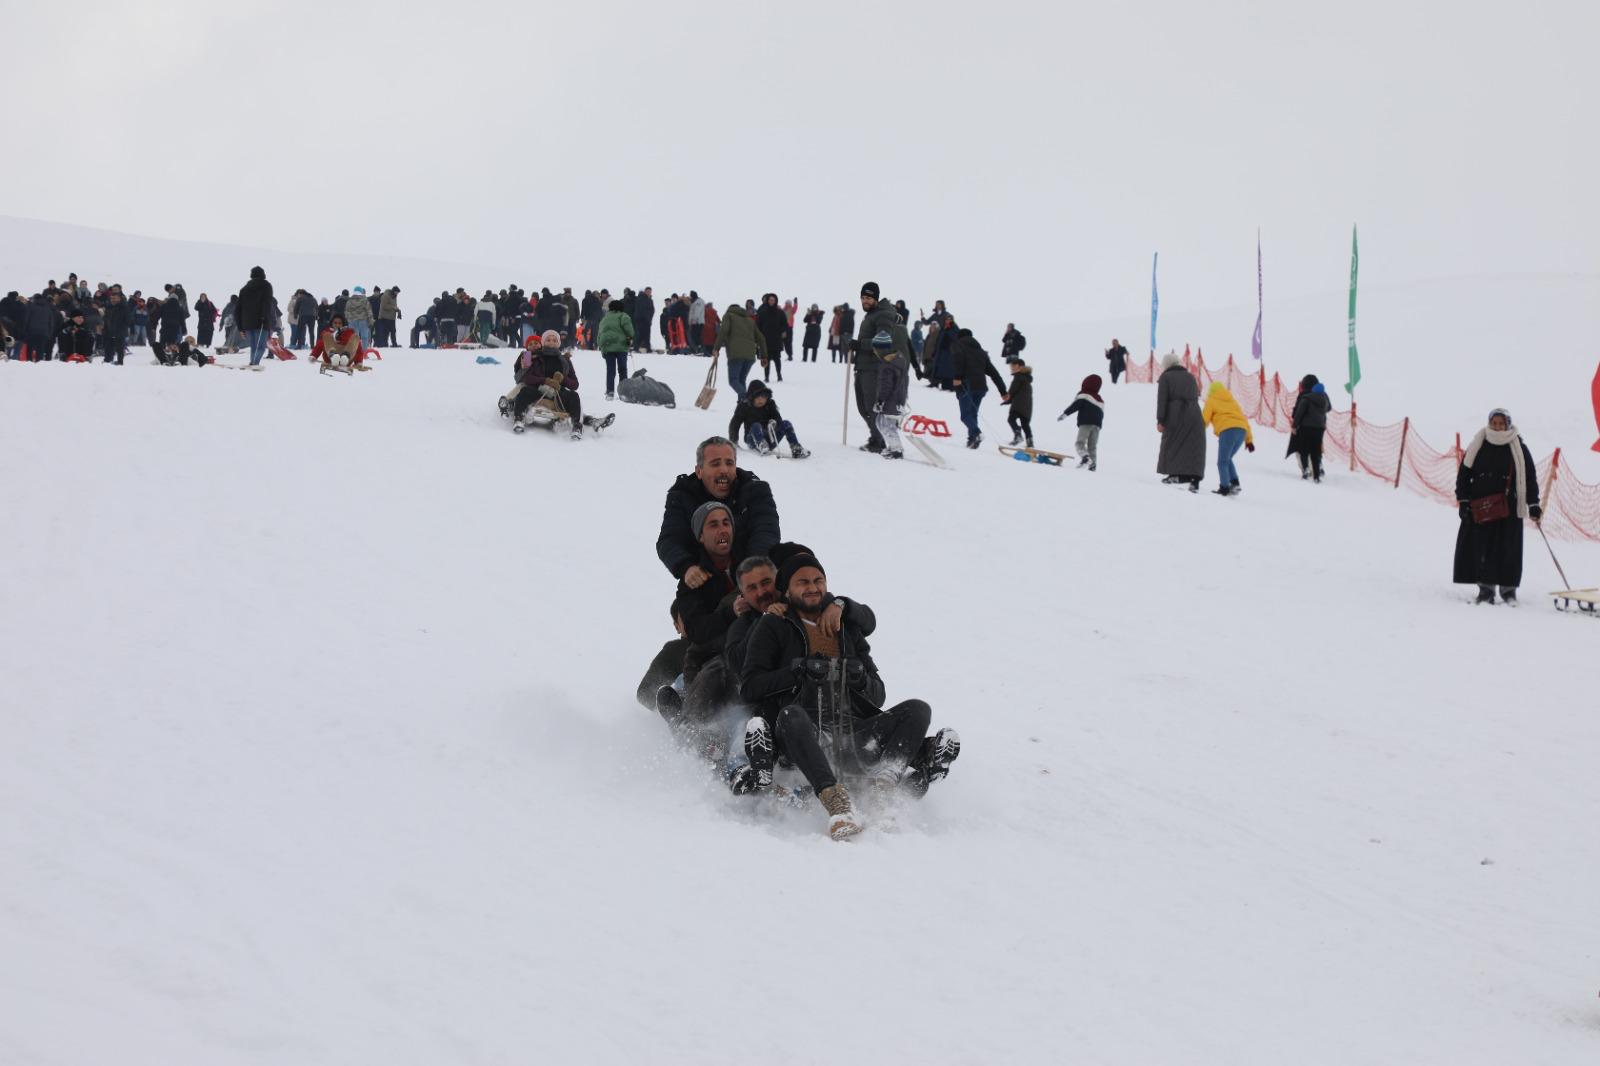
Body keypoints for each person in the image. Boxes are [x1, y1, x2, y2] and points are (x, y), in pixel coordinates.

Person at [737, 552, 961, 839]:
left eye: (819, 580)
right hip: (803, 732)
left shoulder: (846, 626)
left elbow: (878, 694)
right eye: (802, 581)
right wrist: (798, 671)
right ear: (788, 590)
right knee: (790, 716)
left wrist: (860, 679)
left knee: (918, 709)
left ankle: (884, 788)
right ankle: (837, 803)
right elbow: (750, 687)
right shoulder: (773, 625)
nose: (812, 587)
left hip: (854, 733)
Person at [656, 437, 781, 583]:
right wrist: (686, 567)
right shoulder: (682, 495)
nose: (724, 470)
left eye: (729, 463)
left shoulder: (755, 490)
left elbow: (766, 531)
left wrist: (752, 569)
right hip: (705, 580)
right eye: (715, 464)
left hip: (754, 577)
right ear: (699, 471)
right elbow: (669, 540)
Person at [1454, 409, 1542, 605]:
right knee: (1483, 549)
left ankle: (1508, 591)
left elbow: (1529, 477)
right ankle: (1485, 590)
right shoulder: (1479, 444)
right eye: (1494, 423)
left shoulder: (1518, 446)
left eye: (1501, 423)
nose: (1497, 426)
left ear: (1508, 424)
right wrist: (1464, 501)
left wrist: (1533, 503)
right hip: (1482, 506)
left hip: (1509, 509)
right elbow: (1464, 474)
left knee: (1509, 549)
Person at [851, 282, 906, 453]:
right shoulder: (872, 314)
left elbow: (883, 341)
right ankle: (877, 437)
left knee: (871, 406)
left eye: (868, 298)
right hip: (863, 366)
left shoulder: (883, 315)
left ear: (875, 298)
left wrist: (859, 344)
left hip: (874, 368)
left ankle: (880, 440)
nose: (864, 301)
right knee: (863, 407)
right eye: (862, 298)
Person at [511, 331, 588, 438]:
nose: (551, 342)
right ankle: (518, 418)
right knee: (524, 391)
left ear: (559, 343)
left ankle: (577, 426)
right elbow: (526, 378)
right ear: (543, 342)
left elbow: (575, 384)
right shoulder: (532, 355)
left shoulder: (565, 360)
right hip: (538, 389)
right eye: (548, 340)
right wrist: (545, 380)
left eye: (554, 340)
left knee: (574, 396)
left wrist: (562, 379)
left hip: (557, 392)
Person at [1155, 353, 1205, 492]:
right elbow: (1196, 394)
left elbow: (1162, 400)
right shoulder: (1190, 376)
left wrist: (1160, 420)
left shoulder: (1166, 377)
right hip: (1194, 413)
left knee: (1172, 442)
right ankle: (1193, 479)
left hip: (1175, 414)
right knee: (1193, 445)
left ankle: (1174, 474)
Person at [951, 328, 1006, 449]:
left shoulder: (958, 345)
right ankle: (972, 440)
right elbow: (994, 373)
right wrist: (1003, 391)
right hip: (981, 387)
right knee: (973, 413)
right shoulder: (981, 352)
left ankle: (976, 433)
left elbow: (958, 360)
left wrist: (957, 377)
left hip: (966, 384)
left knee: (965, 415)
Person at [727, 380, 810, 458]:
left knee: (786, 423)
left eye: (763, 396)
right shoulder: (744, 406)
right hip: (752, 439)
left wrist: (774, 422)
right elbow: (735, 424)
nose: (761, 399)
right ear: (751, 397)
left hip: (769, 438)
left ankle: (796, 449)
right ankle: (762, 445)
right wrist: (733, 442)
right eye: (757, 397)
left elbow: (778, 419)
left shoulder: (770, 404)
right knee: (756, 426)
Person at [1201, 381, 1255, 496]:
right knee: (1227, 458)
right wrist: (1249, 440)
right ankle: (1235, 483)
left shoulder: (1211, 400)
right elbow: (1244, 420)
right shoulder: (1232, 402)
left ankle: (1224, 487)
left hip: (1227, 430)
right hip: (1242, 431)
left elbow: (1204, 419)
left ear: (1211, 391)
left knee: (1222, 461)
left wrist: (1198, 430)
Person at [711, 300, 766, 402]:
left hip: (736, 354)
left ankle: (746, 397)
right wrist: (764, 356)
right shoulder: (750, 320)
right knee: (741, 380)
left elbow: (723, 331)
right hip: (750, 356)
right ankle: (743, 405)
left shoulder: (729, 316)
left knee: (733, 380)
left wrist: (716, 348)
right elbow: (761, 339)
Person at [1288, 374, 1332, 482]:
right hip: (1320, 427)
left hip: (1304, 427)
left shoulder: (1304, 395)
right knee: (1316, 449)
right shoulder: (1323, 394)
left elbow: (1297, 412)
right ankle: (1319, 467)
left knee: (1302, 449)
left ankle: (1306, 469)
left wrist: (1294, 424)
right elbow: (1329, 407)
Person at [1057, 374, 1105, 469]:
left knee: (1080, 442)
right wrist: (1098, 425)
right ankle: (1092, 465)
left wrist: (1065, 414)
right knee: (1092, 446)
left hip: (1086, 422)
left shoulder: (1084, 394)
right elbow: (1101, 414)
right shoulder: (1100, 400)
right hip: (1097, 425)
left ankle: (1085, 457)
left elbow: (1075, 405)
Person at [597, 299, 635, 399]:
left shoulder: (605, 318)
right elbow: (629, 331)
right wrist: (630, 337)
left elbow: (599, 334)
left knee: (610, 370)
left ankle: (610, 392)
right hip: (621, 347)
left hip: (607, 347)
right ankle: (623, 393)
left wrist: (601, 345)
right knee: (622, 370)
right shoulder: (623, 316)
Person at [236, 267, 274, 366]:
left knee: (253, 346)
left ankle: (252, 363)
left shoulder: (244, 289)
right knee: (261, 346)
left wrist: (240, 327)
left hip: (247, 323)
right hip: (261, 321)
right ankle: (254, 363)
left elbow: (238, 309)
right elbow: (267, 303)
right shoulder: (266, 286)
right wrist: (264, 317)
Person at [1003, 355, 1035, 449]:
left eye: (1013, 366)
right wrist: (1009, 401)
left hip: (1019, 404)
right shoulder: (1026, 378)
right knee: (1025, 424)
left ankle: (1018, 436)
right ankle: (1030, 441)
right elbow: (1019, 391)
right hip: (1027, 405)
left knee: (1011, 419)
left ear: (1020, 367)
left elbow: (1013, 389)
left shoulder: (1019, 377)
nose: (1011, 368)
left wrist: (1007, 397)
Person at [755, 293, 787, 383]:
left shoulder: (780, 312)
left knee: (777, 359)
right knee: (766, 358)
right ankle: (766, 376)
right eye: (770, 300)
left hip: (776, 339)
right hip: (765, 339)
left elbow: (784, 324)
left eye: (773, 300)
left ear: (776, 301)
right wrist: (758, 336)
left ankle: (779, 375)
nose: (771, 301)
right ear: (767, 301)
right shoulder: (762, 312)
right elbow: (758, 325)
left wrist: (782, 331)